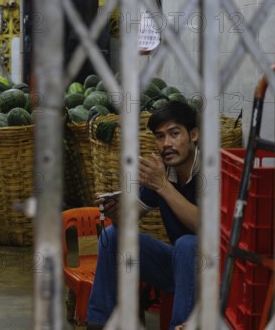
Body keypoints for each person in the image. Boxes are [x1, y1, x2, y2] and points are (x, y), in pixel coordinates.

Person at [86, 101, 200, 330]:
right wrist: (115, 213)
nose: (166, 143)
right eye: (160, 136)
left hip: (217, 273)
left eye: (174, 134)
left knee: (188, 244)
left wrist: (163, 187)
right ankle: (99, 323)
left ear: (194, 135)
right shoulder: (163, 172)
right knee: (113, 236)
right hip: (178, 268)